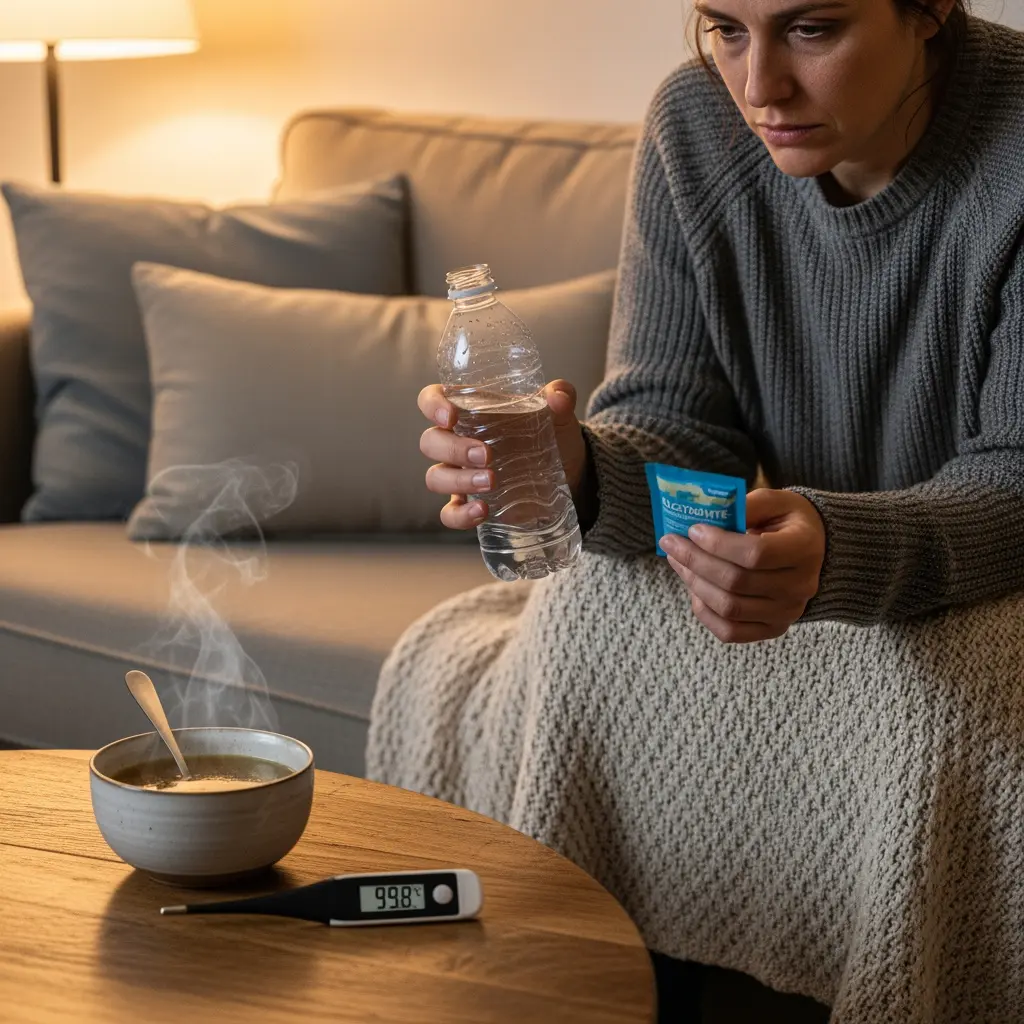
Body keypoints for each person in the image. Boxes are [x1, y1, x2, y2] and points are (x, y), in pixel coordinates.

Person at [376, 1, 1024, 1019]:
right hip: (825, 551)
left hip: (992, 575)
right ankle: (574, 982)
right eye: (724, 27)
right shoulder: (695, 122)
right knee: (584, 603)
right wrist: (580, 469)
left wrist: (837, 547)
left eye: (811, 28)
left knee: (936, 686)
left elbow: (1017, 475)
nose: (758, 85)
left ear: (930, 9)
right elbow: (677, 432)